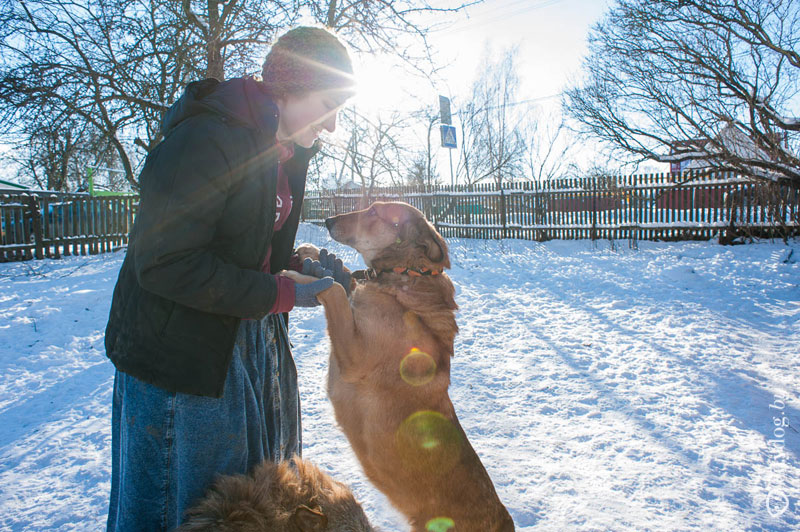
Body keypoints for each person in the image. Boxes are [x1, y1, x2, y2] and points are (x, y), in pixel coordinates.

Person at [104, 26, 355, 531]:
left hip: (247, 353)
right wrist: (278, 292)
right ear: (289, 86)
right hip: (184, 364)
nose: (331, 127)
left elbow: (249, 251)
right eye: (328, 104)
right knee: (185, 510)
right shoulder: (206, 136)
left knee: (252, 512)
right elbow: (165, 262)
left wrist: (297, 269)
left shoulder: (283, 151)